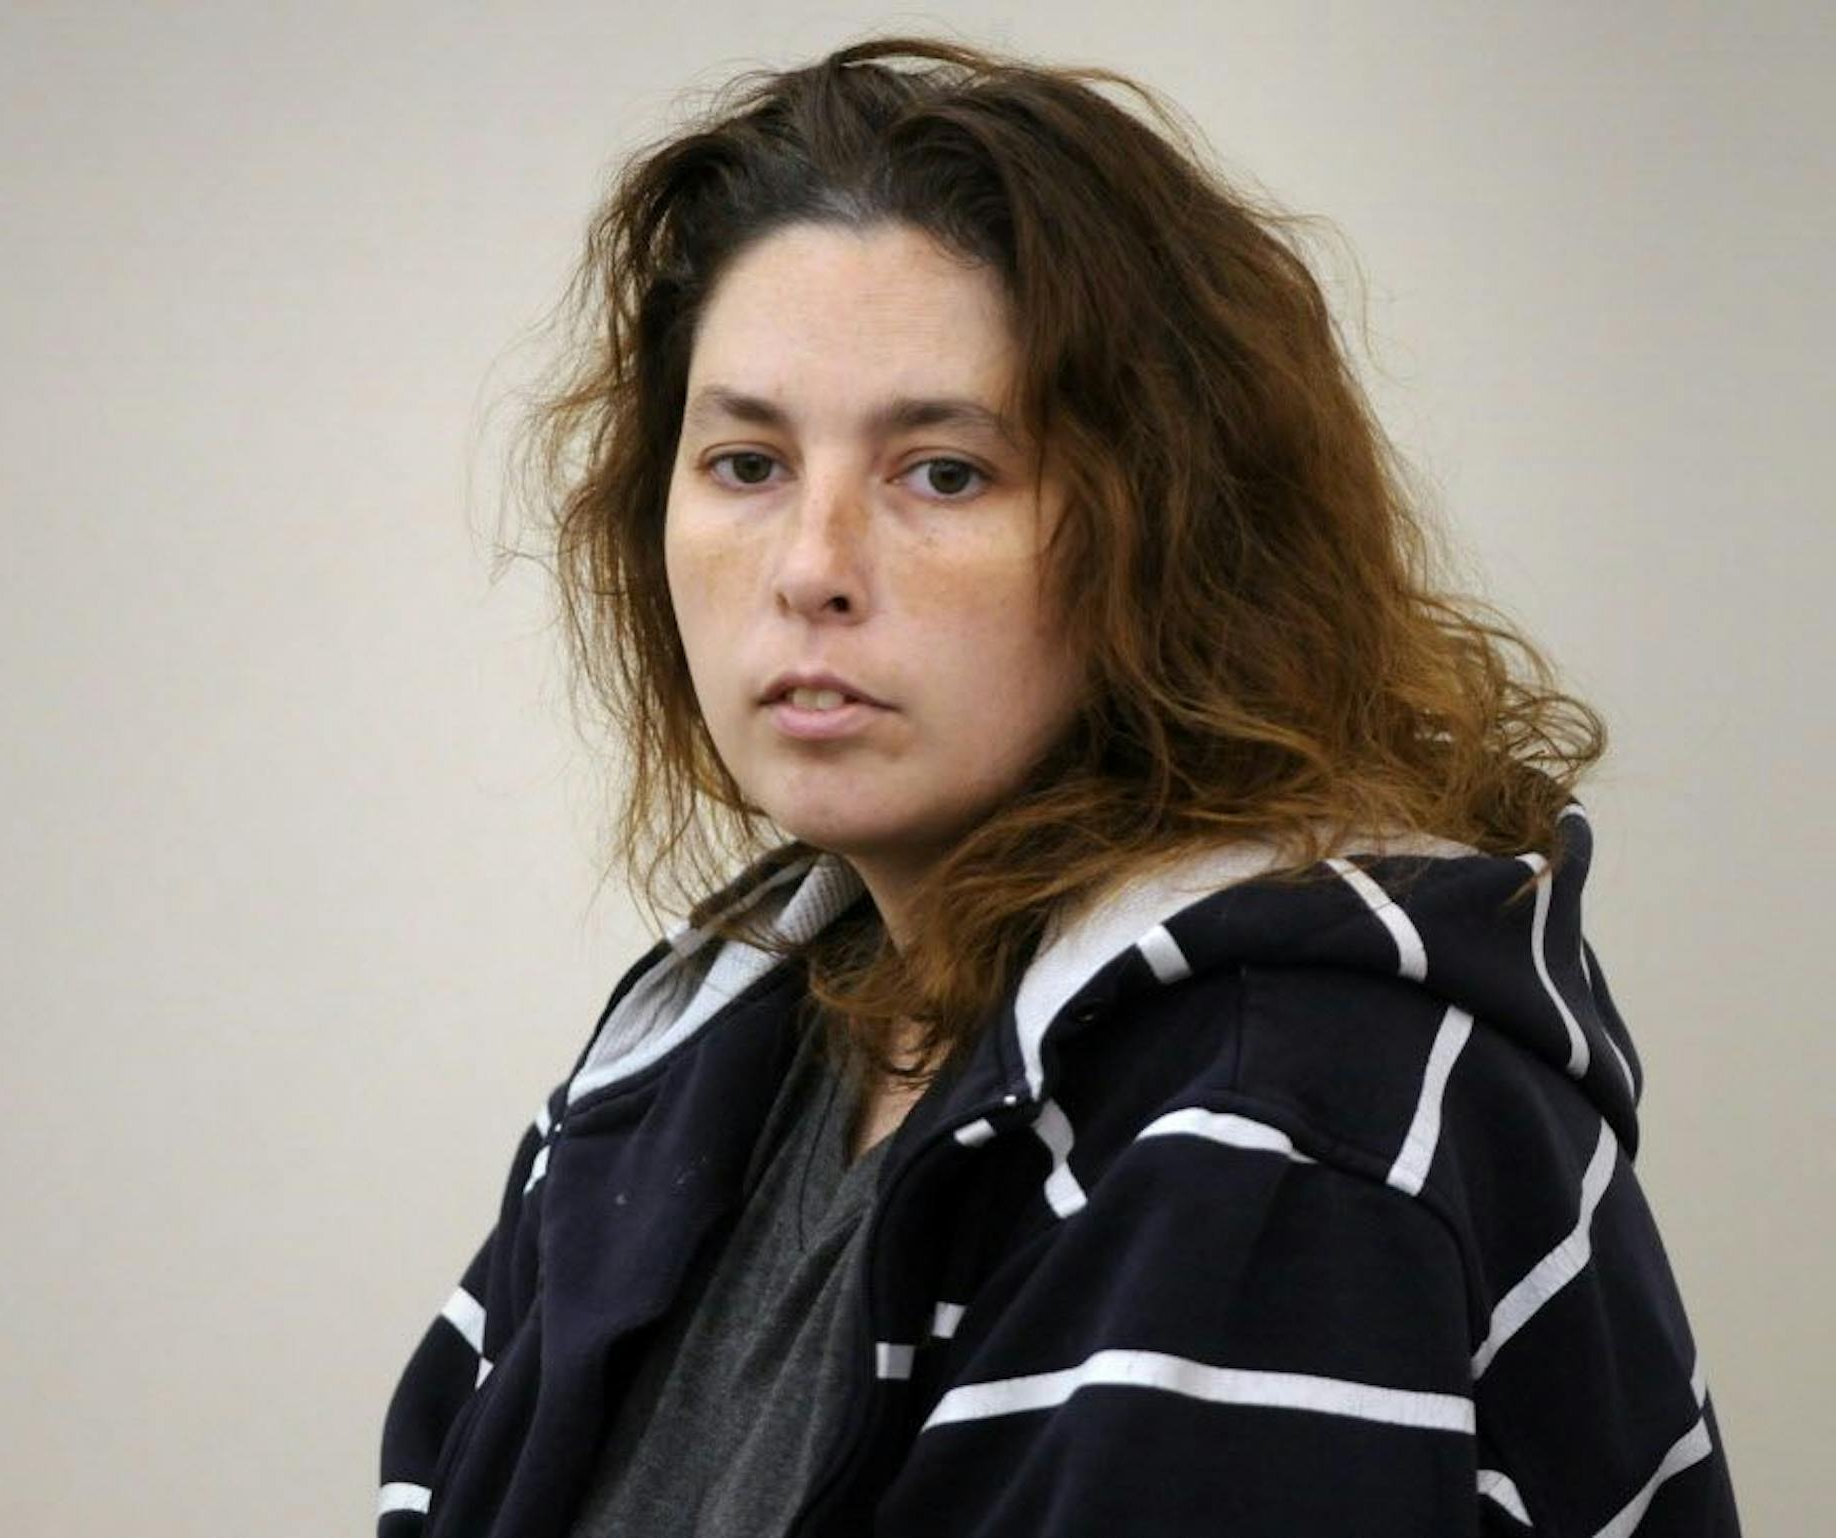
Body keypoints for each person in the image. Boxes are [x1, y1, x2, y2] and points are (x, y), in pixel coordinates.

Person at [376, 35, 1741, 1537]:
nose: (813, 568)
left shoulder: (1286, 1121)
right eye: (748, 461)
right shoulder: (687, 1049)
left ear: (1171, 532)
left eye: (944, 471)